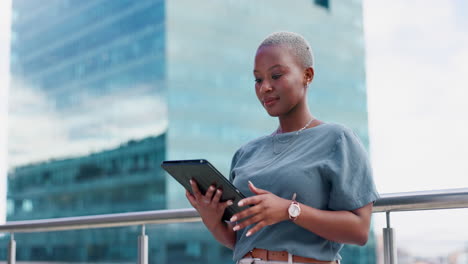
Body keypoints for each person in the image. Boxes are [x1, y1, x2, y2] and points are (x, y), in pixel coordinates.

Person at [186, 31, 379, 264]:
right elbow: (239, 239)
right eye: (258, 80)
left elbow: (359, 231)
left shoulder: (337, 139)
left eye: (276, 75)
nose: (264, 87)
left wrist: (290, 210)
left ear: (307, 75)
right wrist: (212, 219)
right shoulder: (246, 153)